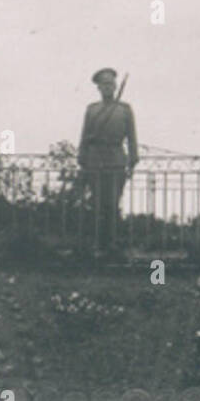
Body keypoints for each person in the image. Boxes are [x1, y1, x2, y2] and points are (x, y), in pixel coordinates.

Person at [78, 68, 138, 258]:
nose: (108, 88)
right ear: (98, 88)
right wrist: (82, 157)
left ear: (115, 86)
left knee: (112, 204)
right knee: (97, 204)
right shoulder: (92, 109)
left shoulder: (124, 109)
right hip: (95, 159)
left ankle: (112, 244)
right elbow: (84, 135)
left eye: (111, 84)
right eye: (104, 84)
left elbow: (132, 137)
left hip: (116, 159)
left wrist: (132, 158)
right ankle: (97, 244)